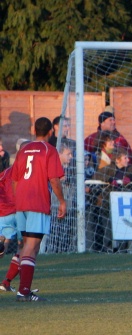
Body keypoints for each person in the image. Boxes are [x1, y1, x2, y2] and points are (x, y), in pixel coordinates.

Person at [8, 118, 66, 301]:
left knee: (28, 245)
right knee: (32, 247)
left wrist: (19, 200)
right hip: (37, 202)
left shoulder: (23, 150)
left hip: (22, 203)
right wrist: (62, 201)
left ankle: (19, 287)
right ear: (51, 132)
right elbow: (54, 179)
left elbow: (15, 180)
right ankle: (23, 291)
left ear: (34, 130)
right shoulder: (49, 150)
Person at [0, 167, 18, 292]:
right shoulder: (26, 171)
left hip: (2, 211)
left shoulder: (6, 172)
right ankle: (6, 282)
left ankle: (5, 283)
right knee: (26, 246)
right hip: (16, 211)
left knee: (2, 247)